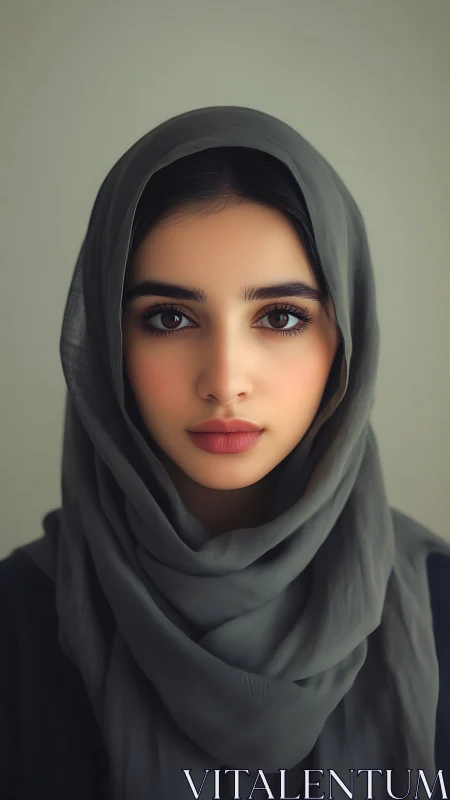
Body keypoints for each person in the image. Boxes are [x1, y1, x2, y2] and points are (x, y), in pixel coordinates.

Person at [0, 106, 449, 800]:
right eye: (169, 318)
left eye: (280, 317)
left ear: (347, 341)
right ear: (110, 349)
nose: (225, 380)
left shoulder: (441, 604)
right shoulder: (17, 620)